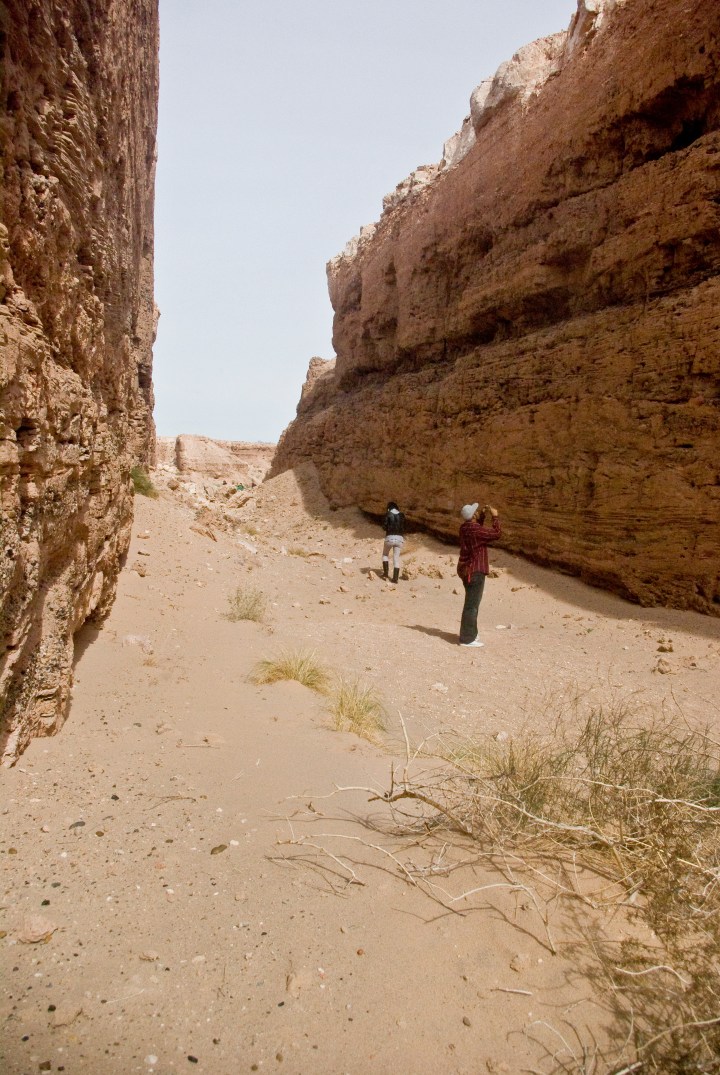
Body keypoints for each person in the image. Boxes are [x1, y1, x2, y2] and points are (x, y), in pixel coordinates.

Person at [456, 503, 501, 647]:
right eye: (476, 512)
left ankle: (470, 634)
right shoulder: (475, 530)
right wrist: (495, 516)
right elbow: (496, 533)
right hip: (475, 570)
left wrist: (482, 515)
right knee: (472, 605)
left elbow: (477, 529)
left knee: (470, 603)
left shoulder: (464, 528)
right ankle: (467, 638)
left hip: (465, 569)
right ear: (473, 515)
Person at [382, 501, 405, 583]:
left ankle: (385, 574)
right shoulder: (402, 515)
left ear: (389, 508)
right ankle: (395, 579)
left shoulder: (388, 514)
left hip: (390, 537)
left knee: (385, 555)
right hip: (400, 538)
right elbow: (403, 527)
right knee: (396, 558)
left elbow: (384, 527)